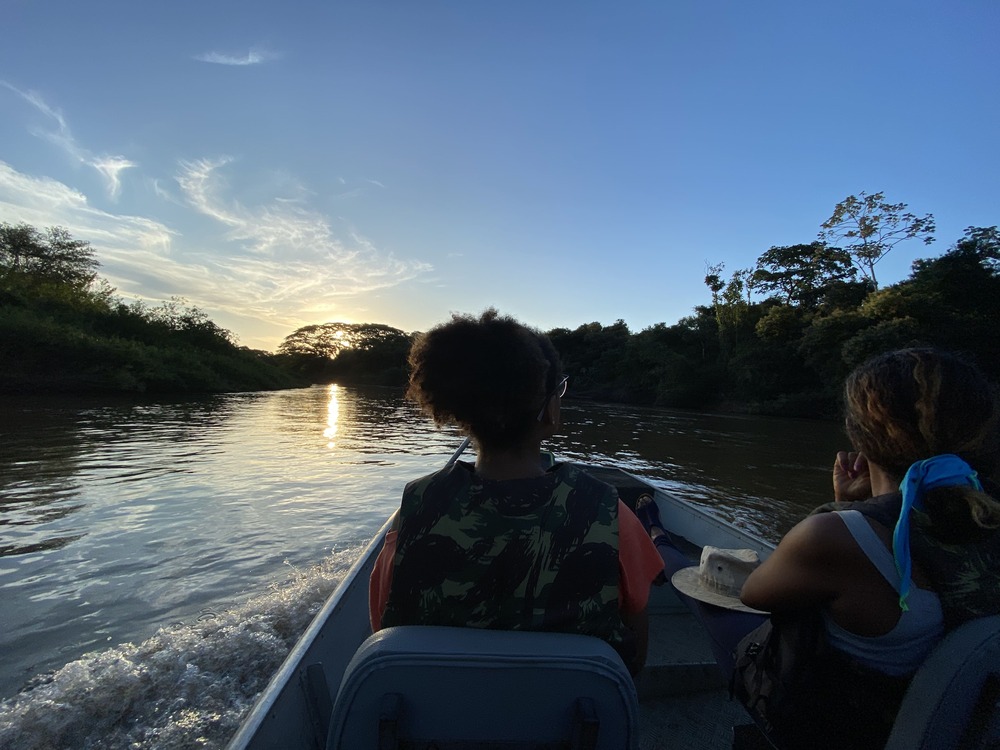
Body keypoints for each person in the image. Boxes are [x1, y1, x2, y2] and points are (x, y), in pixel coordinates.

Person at [368, 309, 664, 675]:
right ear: (549, 411)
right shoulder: (610, 514)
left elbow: (385, 628)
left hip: (436, 724)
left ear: (461, 414)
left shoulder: (413, 512)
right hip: (574, 724)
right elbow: (634, 657)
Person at [737, 347, 1000, 748]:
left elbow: (754, 592)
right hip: (965, 730)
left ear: (860, 436)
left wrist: (843, 511)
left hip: (852, 729)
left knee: (727, 617)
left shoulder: (833, 537)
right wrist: (854, 509)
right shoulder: (987, 515)